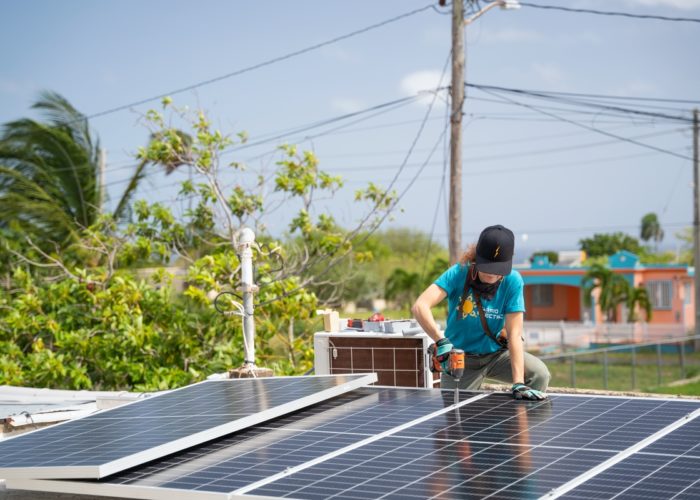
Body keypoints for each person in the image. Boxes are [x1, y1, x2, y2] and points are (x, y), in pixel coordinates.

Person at [412, 224, 550, 400]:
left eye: (498, 270)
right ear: (476, 258)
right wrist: (441, 341)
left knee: (539, 374)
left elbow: (515, 334)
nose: (492, 275)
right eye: (487, 269)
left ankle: (519, 425)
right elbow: (420, 306)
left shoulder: (513, 281)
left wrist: (518, 383)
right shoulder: (459, 273)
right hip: (462, 359)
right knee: (457, 415)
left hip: (496, 355)